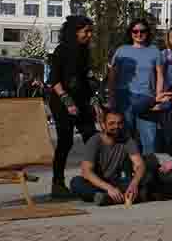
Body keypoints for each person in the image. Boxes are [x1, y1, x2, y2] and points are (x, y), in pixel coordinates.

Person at [47, 15, 98, 194]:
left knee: (92, 137)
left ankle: (97, 177)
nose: (89, 35)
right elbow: (54, 81)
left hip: (81, 101)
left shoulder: (84, 51)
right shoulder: (61, 51)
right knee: (65, 141)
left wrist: (93, 101)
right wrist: (68, 102)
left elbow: (84, 79)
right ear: (75, 32)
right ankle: (57, 183)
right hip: (61, 102)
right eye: (86, 31)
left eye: (91, 31)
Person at [70, 109, 151, 206]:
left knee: (147, 177)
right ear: (103, 125)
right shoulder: (94, 141)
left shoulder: (127, 140)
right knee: (76, 182)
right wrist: (109, 188)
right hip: (98, 184)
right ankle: (111, 196)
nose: (116, 126)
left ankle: (109, 198)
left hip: (117, 182)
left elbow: (140, 165)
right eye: (112, 123)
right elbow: (86, 172)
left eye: (119, 123)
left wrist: (134, 184)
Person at [108, 19, 165, 154]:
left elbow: (160, 75)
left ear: (147, 33)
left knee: (149, 140)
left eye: (142, 31)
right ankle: (127, 169)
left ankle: (148, 171)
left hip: (146, 98)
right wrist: (111, 98)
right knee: (125, 137)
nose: (138, 34)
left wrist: (158, 97)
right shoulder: (122, 50)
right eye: (135, 31)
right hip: (124, 96)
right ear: (130, 33)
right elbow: (112, 76)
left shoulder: (154, 51)